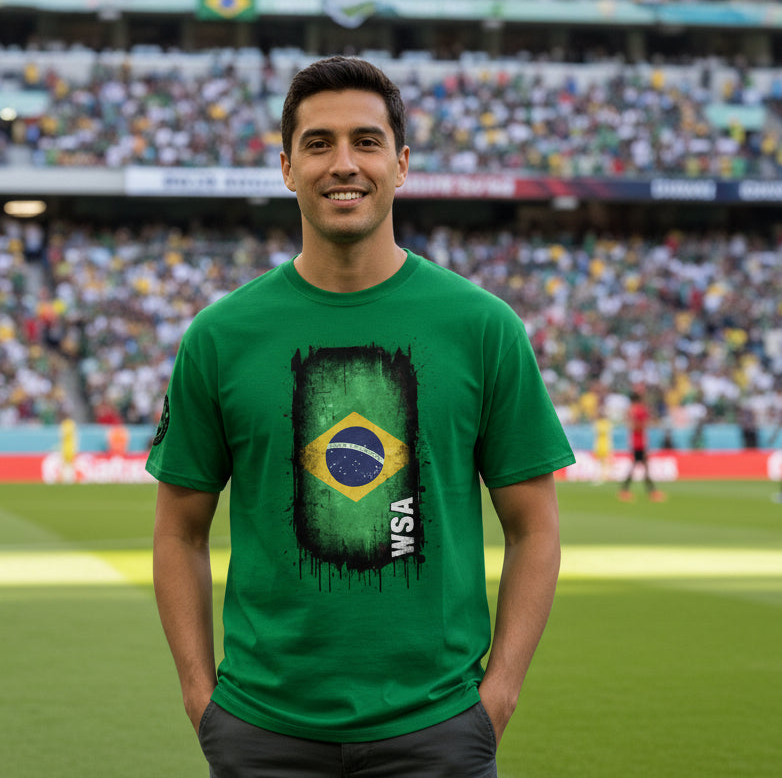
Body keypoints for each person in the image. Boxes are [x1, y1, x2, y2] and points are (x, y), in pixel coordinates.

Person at [147, 56, 575, 777]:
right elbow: (178, 530)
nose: (343, 163)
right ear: (286, 168)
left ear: (401, 164)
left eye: (366, 142)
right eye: (318, 144)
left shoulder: (483, 327)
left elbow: (534, 527)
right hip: (261, 732)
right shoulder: (220, 338)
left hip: (437, 731)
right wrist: (201, 698)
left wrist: (495, 698)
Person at [619, 389, 664, 502]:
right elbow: (638, 425)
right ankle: (651, 491)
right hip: (639, 443)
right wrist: (645, 424)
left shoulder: (631, 410)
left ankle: (627, 490)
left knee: (639, 466)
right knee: (642, 467)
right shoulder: (639, 410)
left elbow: (631, 425)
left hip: (635, 442)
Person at [592, 408, 613, 486]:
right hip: (599, 444)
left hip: (605, 444)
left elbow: (603, 431)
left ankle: (604, 476)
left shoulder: (605, 423)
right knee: (600, 461)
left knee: (605, 461)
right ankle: (600, 476)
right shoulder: (599, 423)